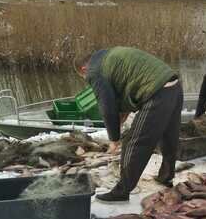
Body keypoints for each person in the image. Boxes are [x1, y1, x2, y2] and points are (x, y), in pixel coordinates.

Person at [74, 47, 183, 202]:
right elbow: (127, 84)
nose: (87, 78)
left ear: (84, 68)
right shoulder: (109, 55)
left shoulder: (94, 71)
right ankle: (166, 177)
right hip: (174, 85)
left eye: (83, 76)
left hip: (156, 92)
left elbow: (107, 107)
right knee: (169, 136)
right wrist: (123, 114)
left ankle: (121, 191)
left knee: (133, 142)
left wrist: (114, 139)